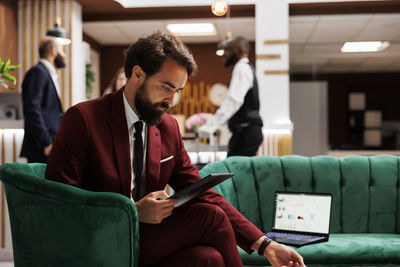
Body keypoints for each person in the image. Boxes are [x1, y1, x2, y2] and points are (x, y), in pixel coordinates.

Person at [45, 32, 305, 267]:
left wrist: (266, 245)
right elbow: (59, 205)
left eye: (178, 90)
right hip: (97, 240)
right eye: (166, 87)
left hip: (145, 239)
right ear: (137, 74)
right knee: (209, 217)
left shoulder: (167, 127)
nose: (171, 100)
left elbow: (204, 193)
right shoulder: (83, 119)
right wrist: (132, 211)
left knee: (210, 259)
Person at [199, 36, 263, 157]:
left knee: (235, 172)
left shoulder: (241, 68)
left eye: (228, 50)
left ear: (238, 51)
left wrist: (210, 126)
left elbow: (234, 101)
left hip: (245, 133)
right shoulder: (245, 68)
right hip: (245, 132)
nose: (224, 55)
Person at [20, 36, 65, 163]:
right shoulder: (38, 72)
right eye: (62, 51)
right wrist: (46, 143)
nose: (64, 55)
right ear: (53, 51)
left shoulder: (47, 73)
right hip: (42, 147)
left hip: (51, 144)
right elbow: (32, 109)